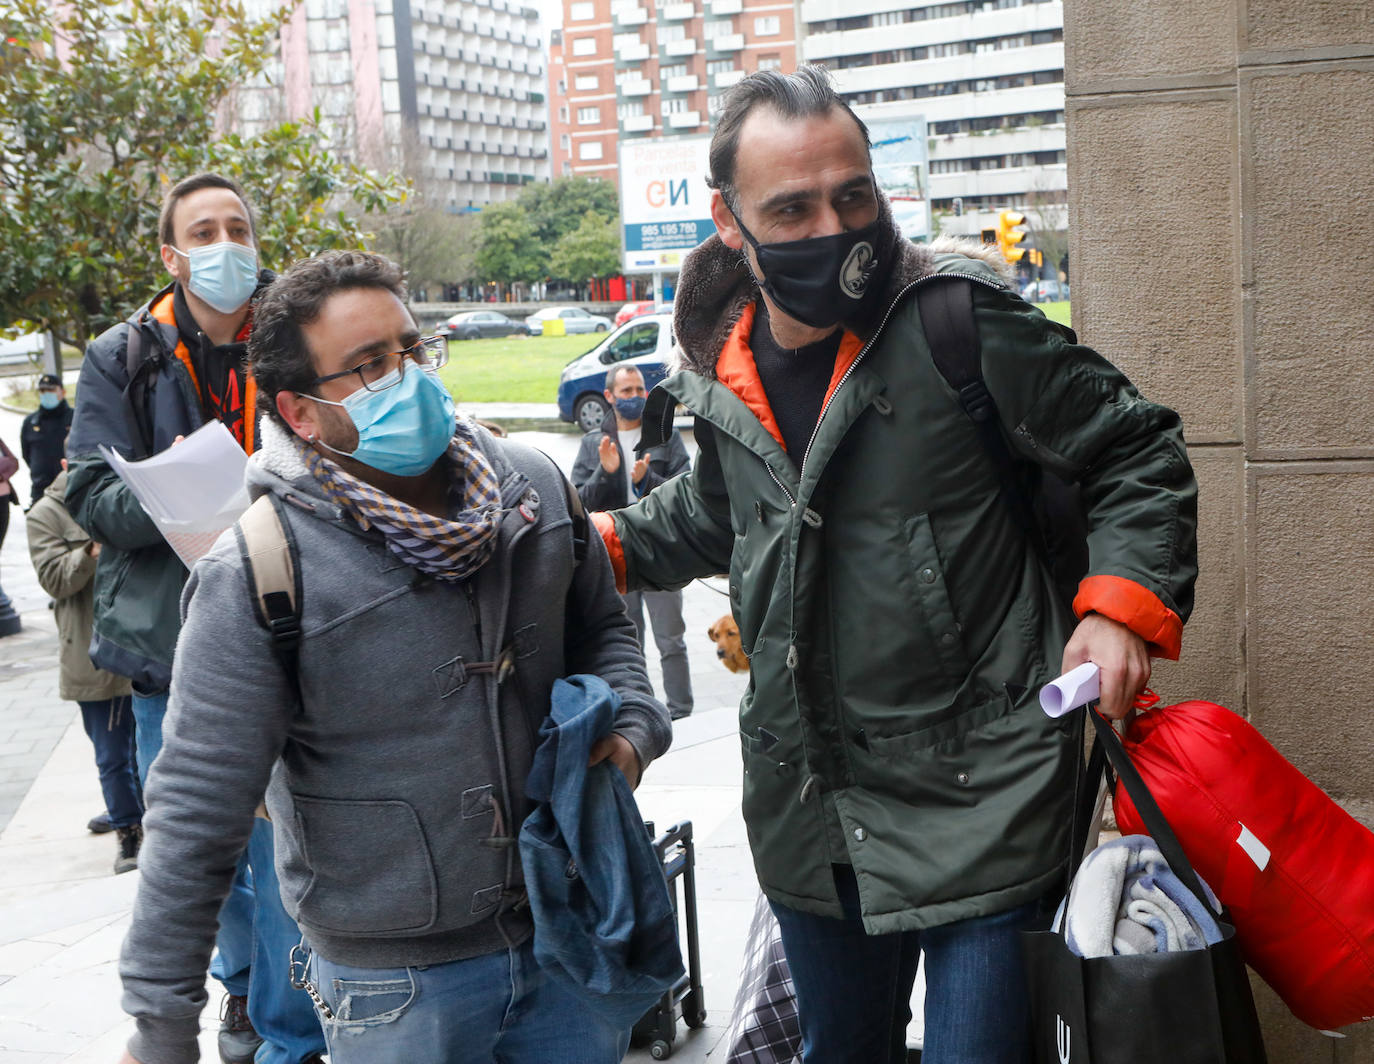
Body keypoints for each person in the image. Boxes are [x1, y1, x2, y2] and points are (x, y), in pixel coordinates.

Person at [591, 67, 1198, 1064]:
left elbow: (1134, 447)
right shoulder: (718, 361)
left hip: (987, 796)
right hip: (809, 816)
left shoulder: (960, 322)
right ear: (728, 220)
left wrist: (1121, 609)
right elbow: (716, 511)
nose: (837, 227)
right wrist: (591, 544)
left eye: (854, 195)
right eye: (793, 208)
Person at [114, 249, 672, 1064]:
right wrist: (160, 1025)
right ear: (299, 413)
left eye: (412, 349)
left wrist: (630, 729)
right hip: (395, 985)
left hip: (570, 935)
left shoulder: (533, 489)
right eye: (369, 367)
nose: (407, 377)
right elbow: (197, 806)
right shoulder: (260, 570)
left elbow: (605, 632)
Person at [65, 173, 324, 1064]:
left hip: (292, 627)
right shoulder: (123, 356)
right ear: (172, 256)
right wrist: (181, 503)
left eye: (238, 226)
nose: (226, 245)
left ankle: (294, 1038)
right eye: (203, 232)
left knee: (287, 853)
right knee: (205, 861)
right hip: (170, 649)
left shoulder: (293, 337)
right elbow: (88, 493)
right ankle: (246, 994)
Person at [26, 462, 141, 873]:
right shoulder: (45, 514)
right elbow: (54, 580)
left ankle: (140, 813)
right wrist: (92, 548)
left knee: (147, 749)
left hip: (143, 647)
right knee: (112, 755)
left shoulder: (127, 494)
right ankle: (129, 833)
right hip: (92, 656)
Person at [571, 364, 694, 719]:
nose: (635, 397)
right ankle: (637, 713)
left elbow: (687, 493)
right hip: (613, 555)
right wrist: (605, 471)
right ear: (609, 396)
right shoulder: (593, 443)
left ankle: (681, 713)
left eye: (639, 389)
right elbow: (579, 504)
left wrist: (648, 480)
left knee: (671, 638)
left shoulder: (664, 437)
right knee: (627, 641)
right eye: (626, 391)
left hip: (660, 552)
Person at [21, 373, 74, 507]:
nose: (46, 394)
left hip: (71, 489)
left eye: (50, 390)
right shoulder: (31, 422)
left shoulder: (75, 418)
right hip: (41, 491)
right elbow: (27, 455)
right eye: (43, 391)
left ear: (62, 392)